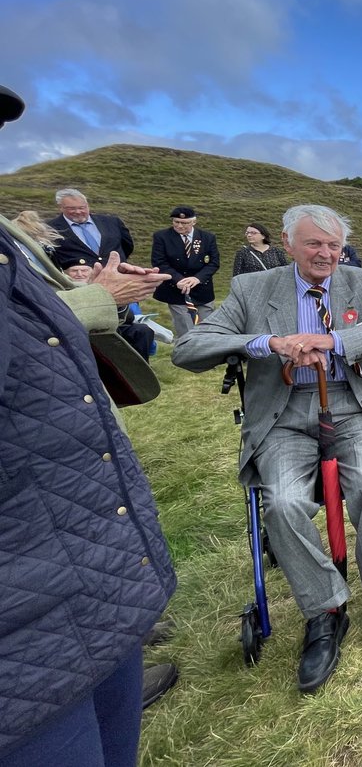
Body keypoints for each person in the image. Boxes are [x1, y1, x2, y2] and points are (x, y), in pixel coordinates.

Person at [172, 204, 362, 694]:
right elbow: (188, 350)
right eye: (314, 243)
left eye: (333, 245)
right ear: (288, 244)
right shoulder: (252, 289)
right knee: (284, 504)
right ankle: (326, 610)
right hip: (284, 417)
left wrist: (333, 339)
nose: (326, 254)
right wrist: (267, 343)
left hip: (355, 409)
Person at [1, 83, 176, 767]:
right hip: (23, 609)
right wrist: (98, 300)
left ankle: (132, 638)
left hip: (83, 557)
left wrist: (92, 288)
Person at [151, 206, 220, 339]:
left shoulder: (207, 237)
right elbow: (159, 262)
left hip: (202, 289)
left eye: (184, 223)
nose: (179, 226)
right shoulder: (162, 237)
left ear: (194, 222)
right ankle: (188, 354)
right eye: (176, 222)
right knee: (186, 330)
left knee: (207, 328)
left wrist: (197, 279)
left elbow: (213, 263)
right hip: (176, 289)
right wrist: (179, 280)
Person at [48, 187, 135, 269]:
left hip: (117, 274)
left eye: (82, 207)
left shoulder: (112, 222)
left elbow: (127, 246)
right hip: (80, 279)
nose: (78, 212)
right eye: (71, 209)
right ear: (60, 207)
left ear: (87, 205)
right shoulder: (50, 228)